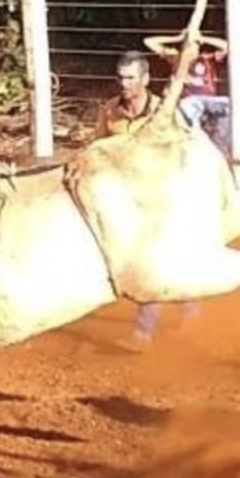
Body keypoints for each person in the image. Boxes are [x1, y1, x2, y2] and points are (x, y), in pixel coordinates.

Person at [95, 49, 200, 346]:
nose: (123, 84)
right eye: (120, 78)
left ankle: (142, 333)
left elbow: (185, 151)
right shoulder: (109, 111)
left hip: (161, 197)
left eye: (130, 78)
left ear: (145, 79)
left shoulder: (164, 112)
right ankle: (191, 306)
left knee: (149, 260)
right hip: (124, 199)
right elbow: (97, 149)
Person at [145, 35, 231, 154]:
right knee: (187, 106)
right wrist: (178, 37)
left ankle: (219, 148)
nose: (191, 47)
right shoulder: (175, 57)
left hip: (210, 100)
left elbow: (227, 46)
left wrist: (202, 37)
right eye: (188, 44)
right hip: (190, 101)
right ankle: (196, 146)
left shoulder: (206, 58)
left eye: (194, 44)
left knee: (231, 105)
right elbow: (149, 41)